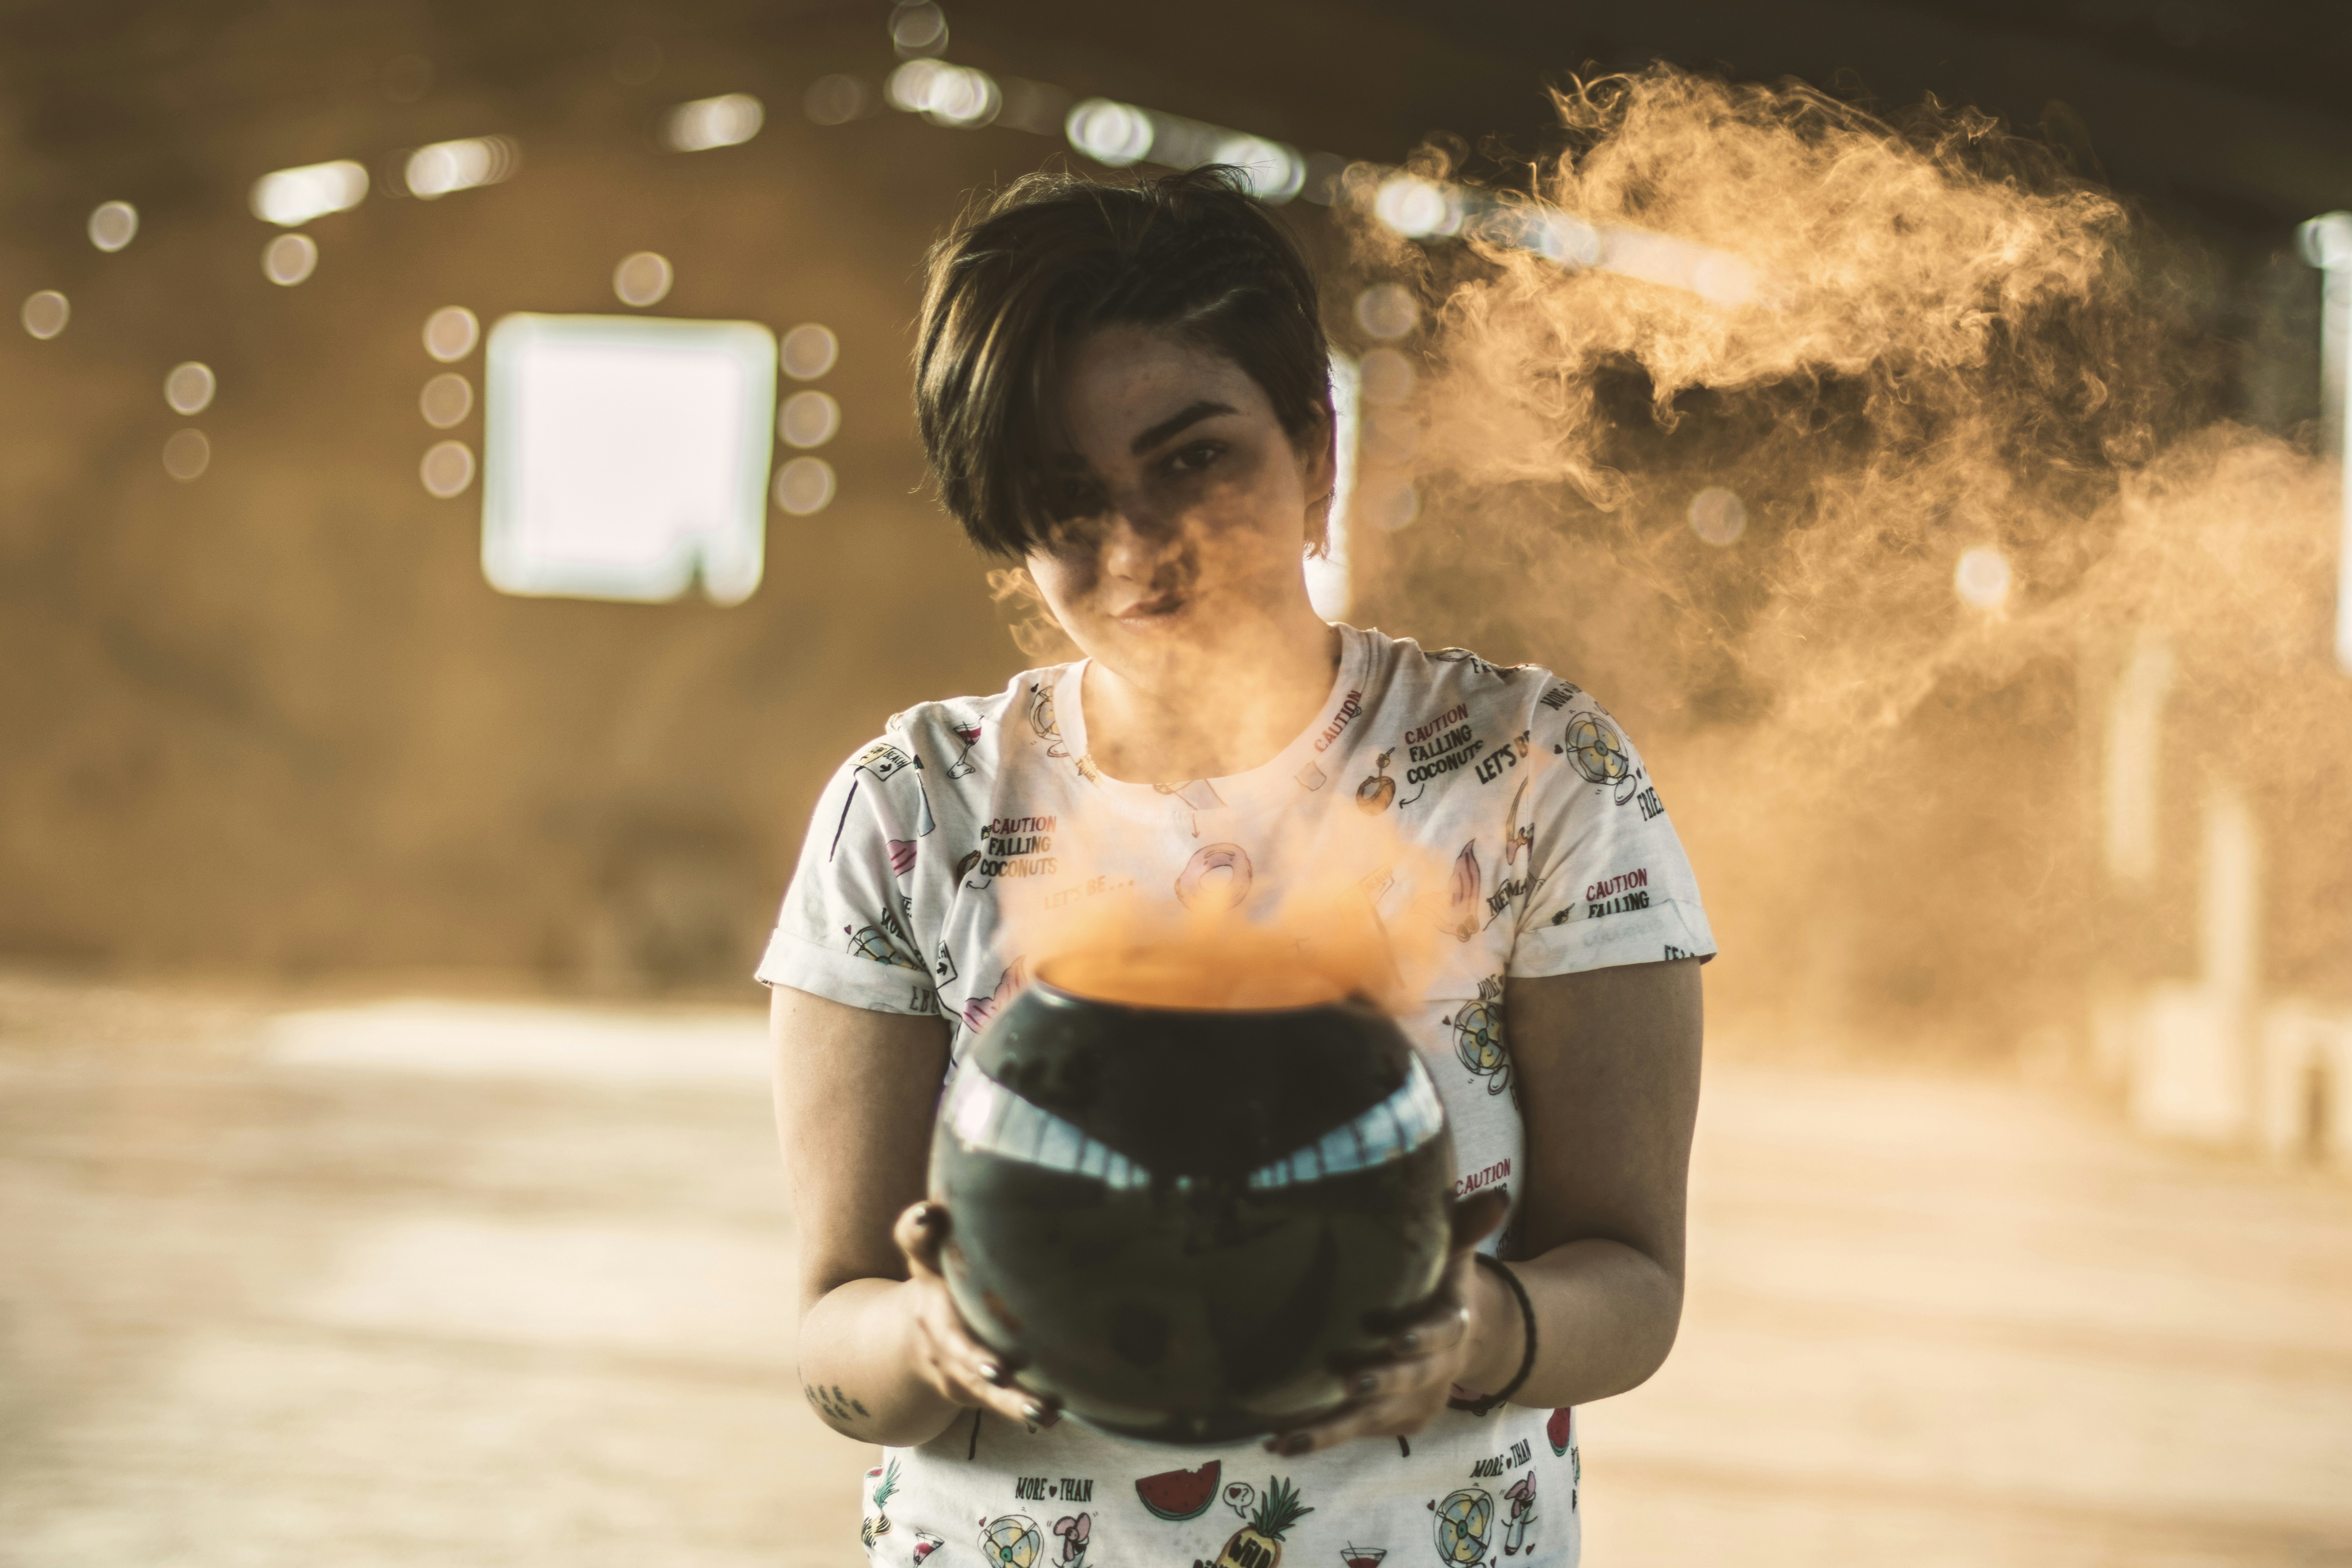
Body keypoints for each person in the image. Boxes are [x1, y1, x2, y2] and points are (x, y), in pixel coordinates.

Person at [764, 165, 1711, 1565]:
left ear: (1317, 451)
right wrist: (930, 1335)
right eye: (1066, 504)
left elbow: (1632, 1285)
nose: (1142, 549)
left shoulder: (1534, 775)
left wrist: (1474, 1332)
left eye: (1195, 458)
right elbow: (834, 1347)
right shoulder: (912, 808)